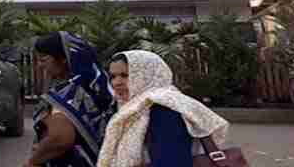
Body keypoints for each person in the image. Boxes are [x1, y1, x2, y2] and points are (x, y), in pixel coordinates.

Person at [98, 50, 229, 167]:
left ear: (147, 75)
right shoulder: (132, 108)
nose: (116, 82)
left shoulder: (163, 110)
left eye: (125, 75)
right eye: (113, 77)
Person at [26, 32, 114, 167]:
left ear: (64, 59)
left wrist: (33, 161)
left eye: (44, 60)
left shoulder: (70, 93)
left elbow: (60, 139)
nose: (39, 65)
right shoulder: (98, 83)